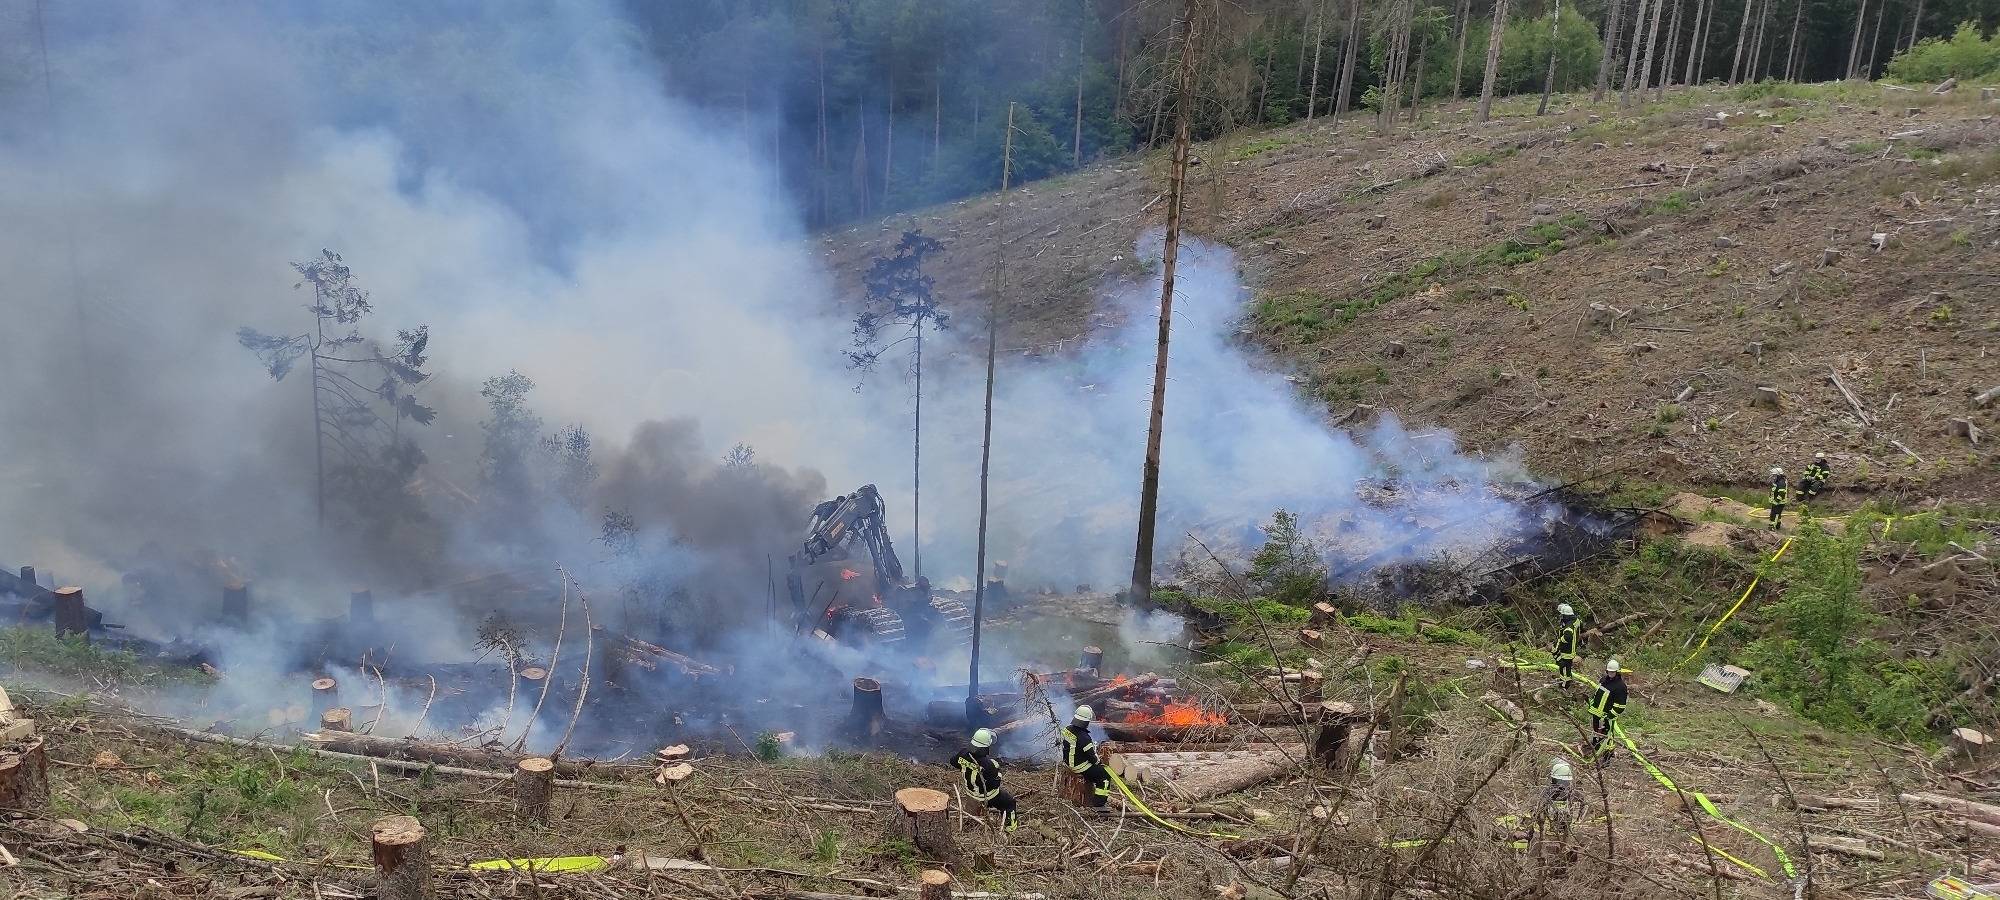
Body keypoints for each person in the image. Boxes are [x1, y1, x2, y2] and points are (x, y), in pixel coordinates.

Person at [953, 728, 1018, 831]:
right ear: (985, 746)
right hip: (987, 796)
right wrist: (998, 772)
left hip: (971, 793)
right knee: (1010, 803)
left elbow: (953, 761)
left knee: (970, 820)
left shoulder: (963, 753)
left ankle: (969, 827)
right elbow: (994, 784)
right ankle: (1011, 828)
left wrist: (966, 765)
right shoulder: (988, 764)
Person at [1059, 705, 1111, 808]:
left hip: (1068, 762)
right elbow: (1092, 758)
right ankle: (1099, 804)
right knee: (1105, 777)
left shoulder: (1066, 729)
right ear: (1086, 722)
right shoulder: (1084, 738)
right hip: (1080, 767)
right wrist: (1099, 763)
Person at [1589, 660, 1629, 766]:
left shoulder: (1620, 686)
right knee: (1596, 732)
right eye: (1609, 672)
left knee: (1608, 738)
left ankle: (1607, 758)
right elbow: (1598, 694)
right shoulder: (1604, 680)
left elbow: (1621, 705)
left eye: (1613, 672)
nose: (1610, 674)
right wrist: (1592, 705)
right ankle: (1594, 750)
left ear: (1617, 672)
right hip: (1597, 714)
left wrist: (1610, 715)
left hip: (1608, 716)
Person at [1553, 603, 1581, 681]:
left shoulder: (1568, 626)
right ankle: (1567, 679)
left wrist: (1560, 640)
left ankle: (1564, 682)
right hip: (1572, 648)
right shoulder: (1575, 621)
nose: (1561, 616)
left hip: (1566, 650)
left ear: (1565, 616)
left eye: (1562, 615)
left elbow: (1568, 637)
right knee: (1568, 666)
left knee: (1563, 666)